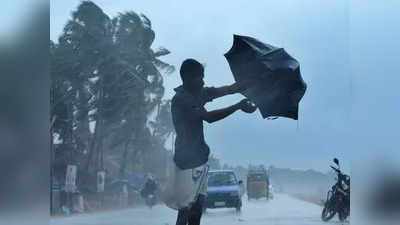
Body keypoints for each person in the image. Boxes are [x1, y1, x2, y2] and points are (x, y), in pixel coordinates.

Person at [171, 58, 256, 225]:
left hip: (199, 160)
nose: (203, 81)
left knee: (197, 208)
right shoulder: (182, 100)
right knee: (186, 210)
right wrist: (237, 107)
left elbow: (221, 91)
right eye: (199, 78)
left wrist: (241, 86)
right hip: (185, 162)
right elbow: (208, 117)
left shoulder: (197, 92)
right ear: (187, 78)